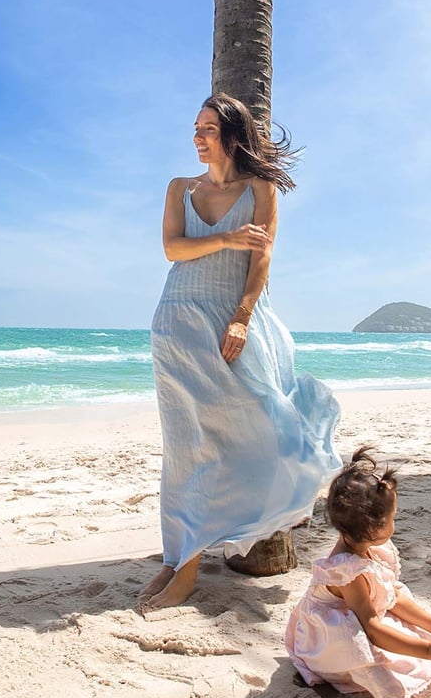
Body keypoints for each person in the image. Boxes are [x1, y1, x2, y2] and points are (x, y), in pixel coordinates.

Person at [141, 94, 342, 612]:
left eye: (208, 128)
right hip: (177, 320)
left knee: (251, 435)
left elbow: (263, 261)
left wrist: (241, 317)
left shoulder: (260, 188)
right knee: (185, 448)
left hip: (231, 322)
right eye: (195, 128)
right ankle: (176, 562)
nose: (197, 136)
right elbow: (172, 248)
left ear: (232, 134)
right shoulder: (179, 188)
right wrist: (227, 237)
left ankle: (201, 554)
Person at [285, 445, 431, 698]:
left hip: (359, 617)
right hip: (332, 638)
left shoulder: (372, 550)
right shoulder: (348, 572)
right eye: (392, 519)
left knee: (408, 628)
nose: (394, 524)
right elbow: (372, 629)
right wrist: (427, 650)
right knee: (366, 655)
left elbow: (392, 596)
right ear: (373, 529)